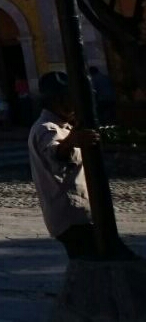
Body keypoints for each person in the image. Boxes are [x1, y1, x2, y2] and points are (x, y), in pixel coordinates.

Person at [29, 72, 110, 258]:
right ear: (56, 101)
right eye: (69, 99)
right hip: (71, 216)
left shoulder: (62, 126)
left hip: (76, 214)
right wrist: (70, 142)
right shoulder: (47, 129)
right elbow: (55, 154)